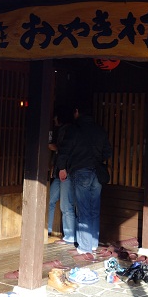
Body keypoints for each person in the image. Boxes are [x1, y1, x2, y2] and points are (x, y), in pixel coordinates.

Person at [57, 102, 112, 257]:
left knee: (83, 209)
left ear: (77, 111)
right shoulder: (100, 130)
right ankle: (93, 243)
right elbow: (107, 152)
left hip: (81, 170)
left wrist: (62, 167)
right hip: (97, 172)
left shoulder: (74, 129)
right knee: (94, 208)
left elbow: (64, 151)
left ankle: (85, 247)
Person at [48, 106, 75, 244]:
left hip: (66, 172)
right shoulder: (64, 129)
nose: (54, 120)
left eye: (55, 117)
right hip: (60, 172)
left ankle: (70, 236)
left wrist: (55, 148)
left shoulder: (68, 130)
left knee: (66, 206)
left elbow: (65, 150)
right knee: (50, 201)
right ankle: (47, 230)